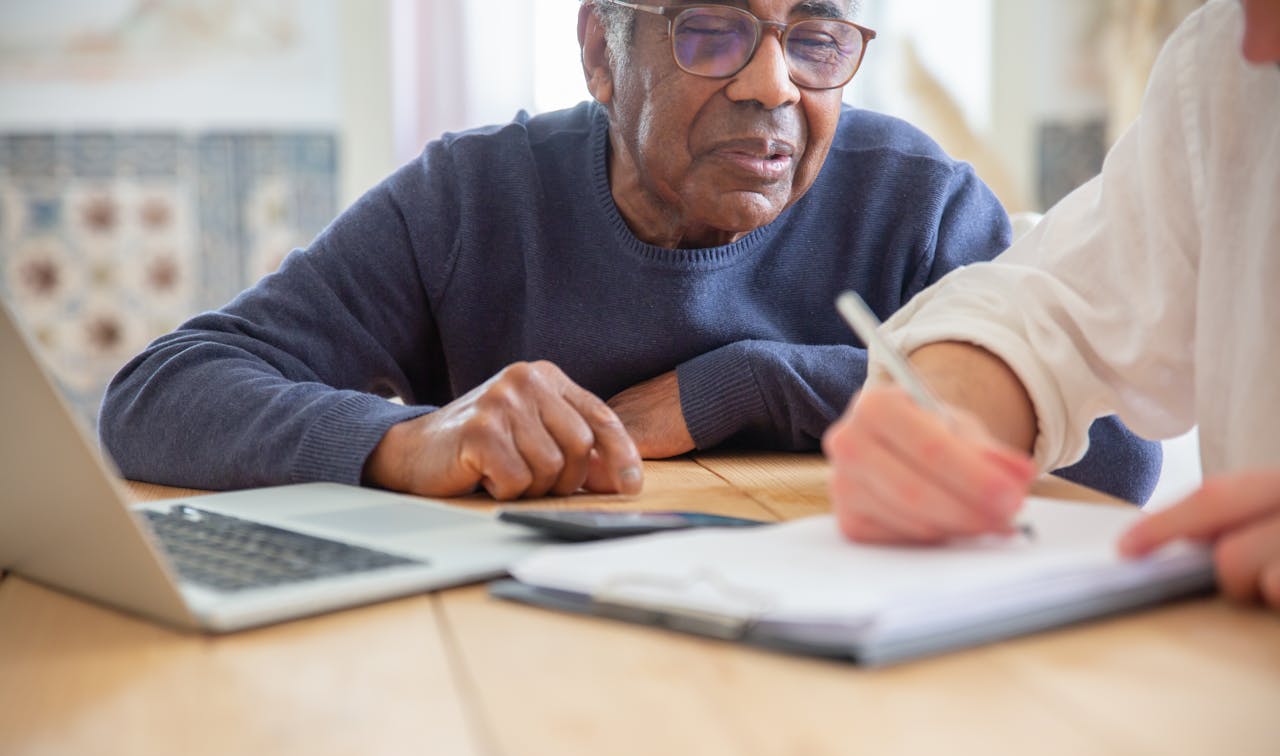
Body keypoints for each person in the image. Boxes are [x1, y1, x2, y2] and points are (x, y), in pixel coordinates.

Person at [100, 0, 1158, 502]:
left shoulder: (913, 201)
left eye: (814, 37)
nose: (771, 84)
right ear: (600, 54)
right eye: (710, 30)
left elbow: (1114, 455)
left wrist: (747, 382)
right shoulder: (473, 196)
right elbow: (155, 394)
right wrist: (405, 441)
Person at [823, 0, 1280, 609]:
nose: (1252, 34)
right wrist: (939, 418)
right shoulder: (1225, 68)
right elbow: (1048, 307)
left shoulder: (915, 187)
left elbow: (1122, 458)